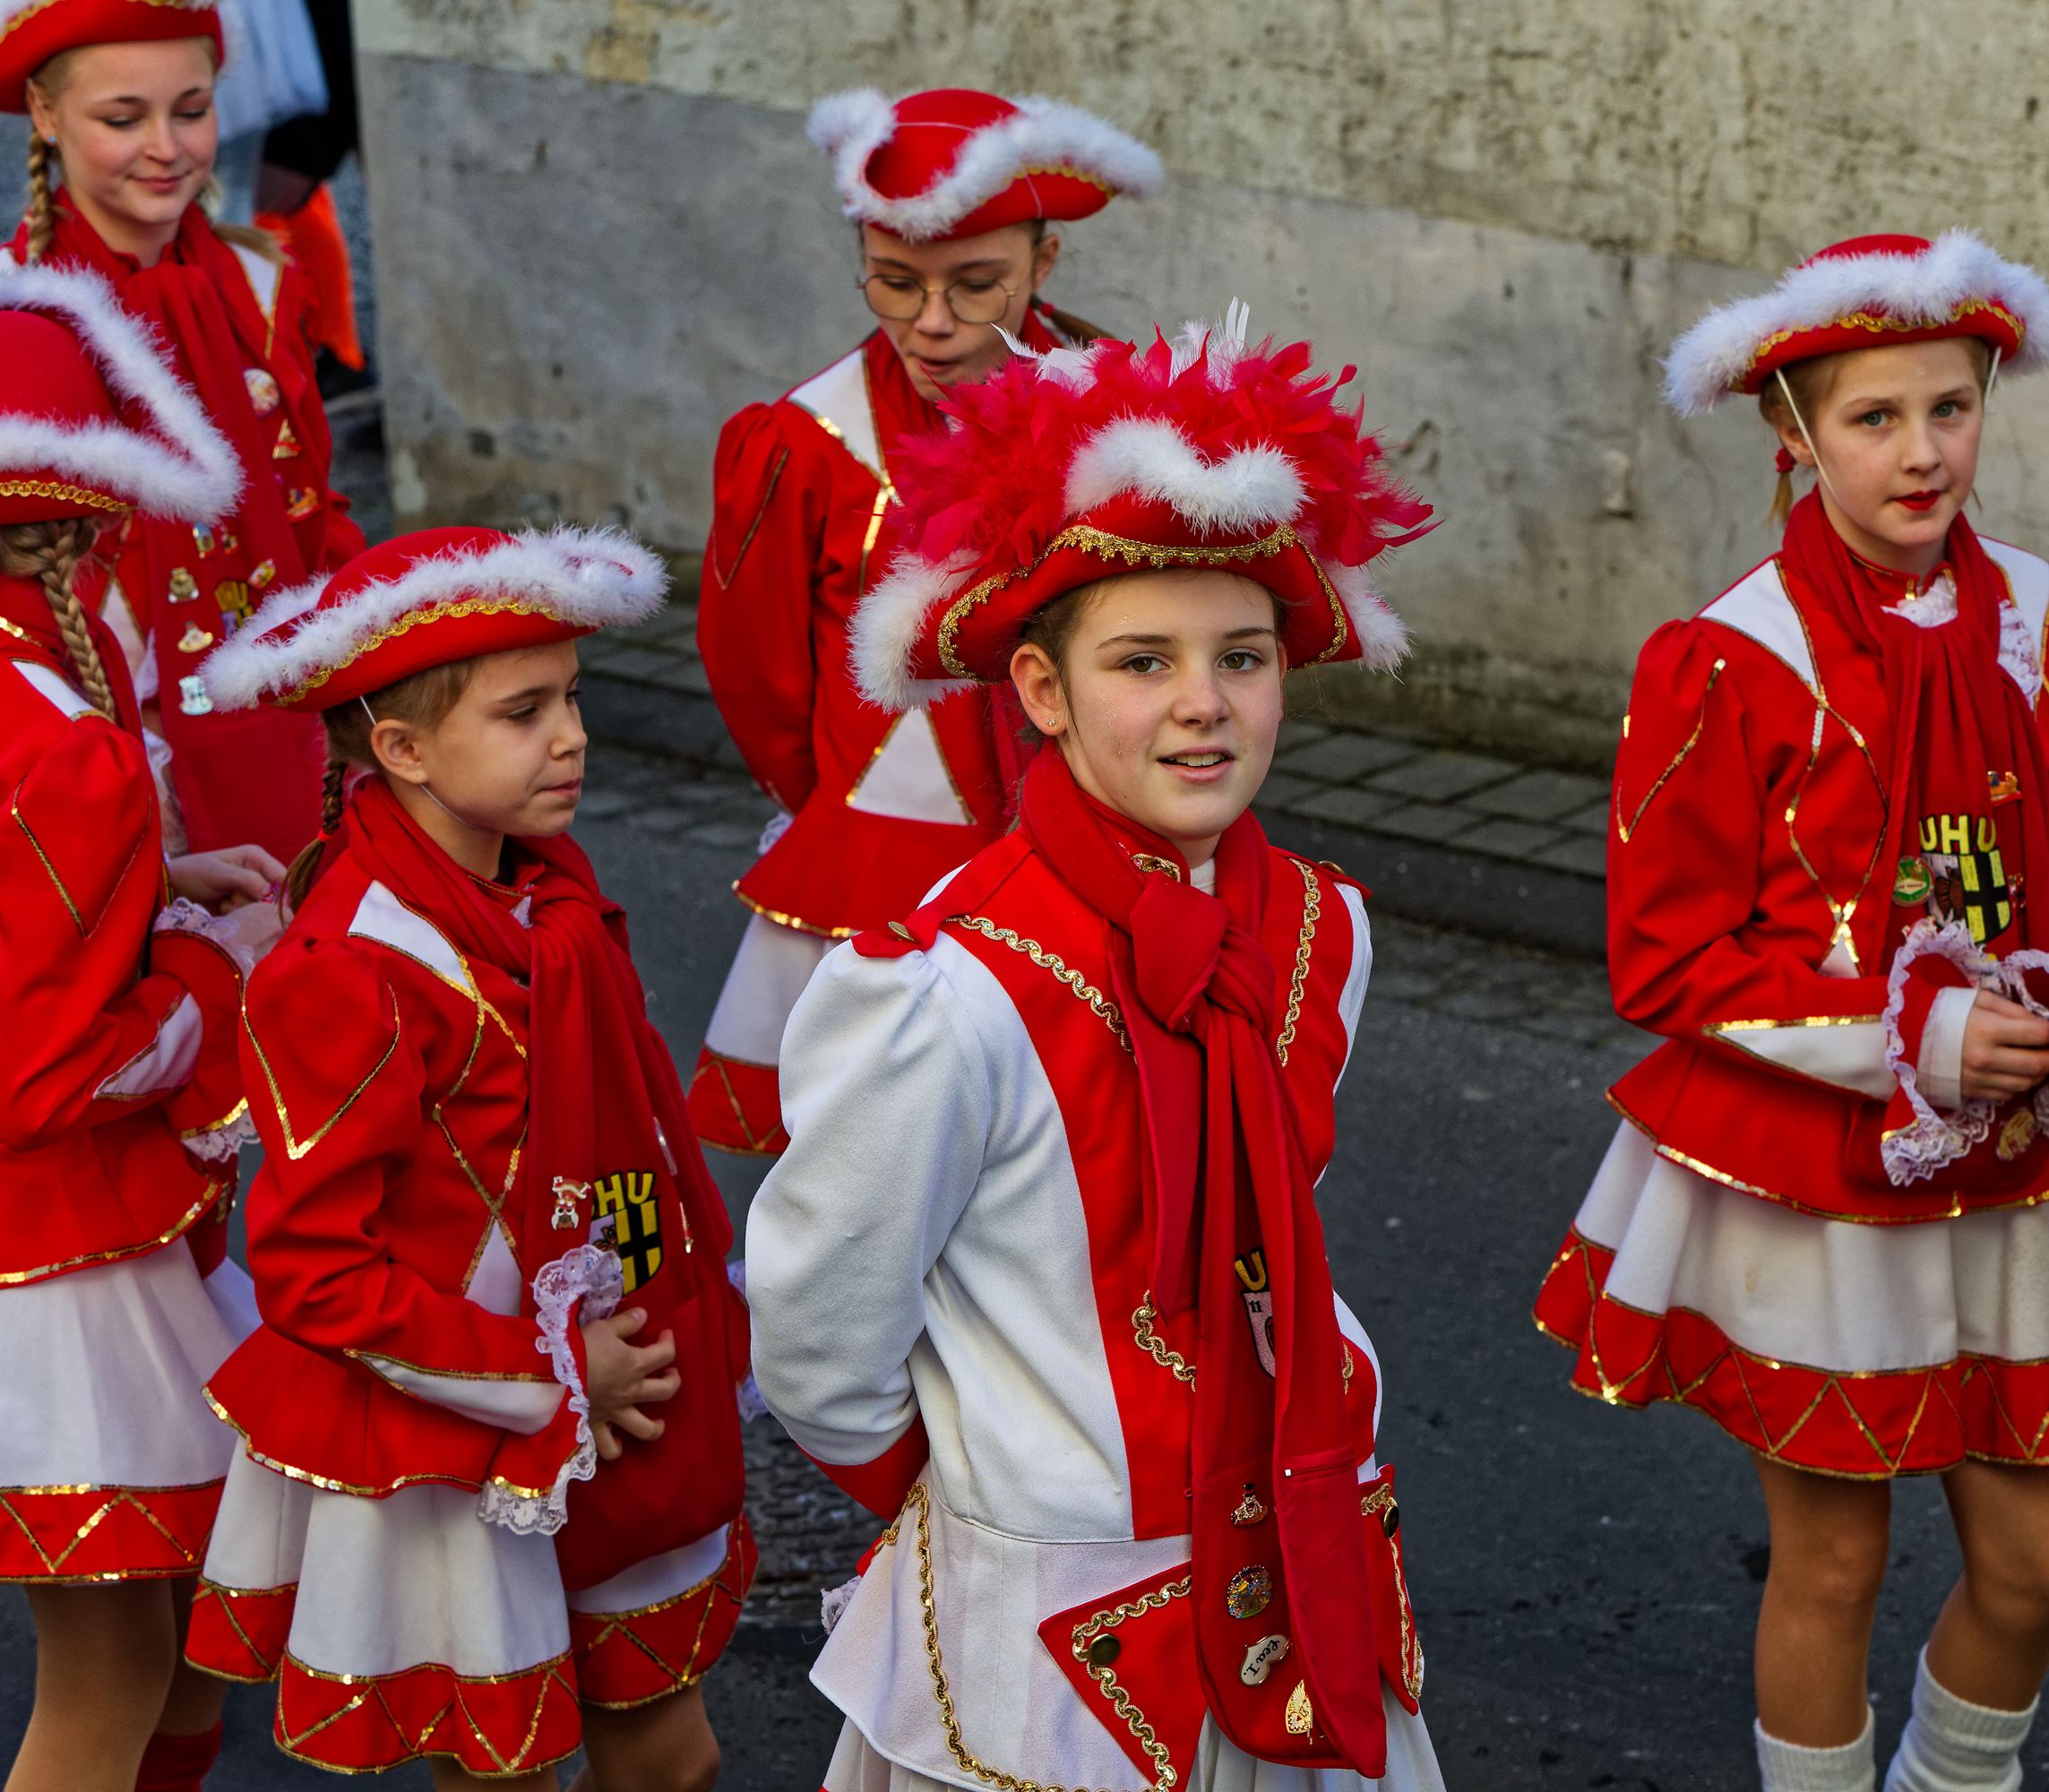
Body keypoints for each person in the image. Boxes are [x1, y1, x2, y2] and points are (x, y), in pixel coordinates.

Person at [745, 313, 1443, 1791]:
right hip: (1052, 1610)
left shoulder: (1325, 931)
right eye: (1143, 661)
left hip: (1302, 1548)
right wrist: (999, 1485)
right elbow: (823, 1328)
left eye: (1241, 657)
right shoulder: (944, 987)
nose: (1204, 702)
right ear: (1043, 696)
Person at [1535, 234, 2049, 1792]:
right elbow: (1672, 960)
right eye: (1874, 418)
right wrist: (1921, 1041)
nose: (1921, 453)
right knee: (1832, 1565)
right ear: (1795, 434)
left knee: (2044, 1563)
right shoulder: (1724, 656)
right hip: (1819, 1167)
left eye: (1949, 409)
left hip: (2010, 1156)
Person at [183, 526, 753, 1788]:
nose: (573, 736)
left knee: (666, 1743)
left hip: (617, 1374)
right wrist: (551, 1372)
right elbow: (317, 1275)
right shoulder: (350, 972)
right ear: (401, 750)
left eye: (575, 697)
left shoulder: (540, 890)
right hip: (473, 1431)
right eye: (523, 712)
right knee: (509, 1766)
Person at [687, 84, 1161, 1158]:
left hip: (1084, 838)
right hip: (878, 857)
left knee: (1067, 1149)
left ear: (1045, 265)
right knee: (873, 1153)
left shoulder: (1117, 410)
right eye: (894, 284)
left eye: (974, 285)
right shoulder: (803, 440)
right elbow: (754, 669)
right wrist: (832, 807)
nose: (932, 324)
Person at [0, 255, 280, 1792]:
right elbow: (51, 1065)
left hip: (51, 1260)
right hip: (55, 1274)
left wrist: (147, 878)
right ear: (88, 528)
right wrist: (220, 970)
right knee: (102, 1692)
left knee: (168, 1667)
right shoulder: (71, 755)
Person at [5, 0, 364, 864]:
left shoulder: (268, 286)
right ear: (47, 116)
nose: (167, 148)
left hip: (283, 699)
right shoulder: (19, 318)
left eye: (193, 111)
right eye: (123, 118)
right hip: (108, 726)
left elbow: (310, 493)